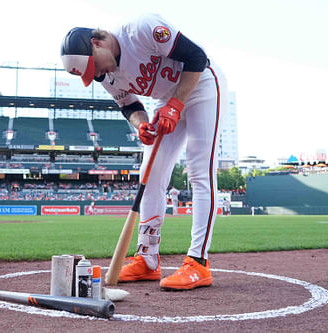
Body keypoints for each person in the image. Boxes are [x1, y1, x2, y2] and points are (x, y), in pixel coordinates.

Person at [61, 13, 227, 291]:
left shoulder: (141, 30)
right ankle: (148, 259)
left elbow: (197, 57)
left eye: (94, 68)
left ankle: (199, 262)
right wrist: (141, 125)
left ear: (97, 43)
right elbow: (129, 106)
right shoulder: (107, 77)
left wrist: (176, 104)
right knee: (149, 177)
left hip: (201, 86)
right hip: (165, 101)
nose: (98, 75)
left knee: (200, 171)